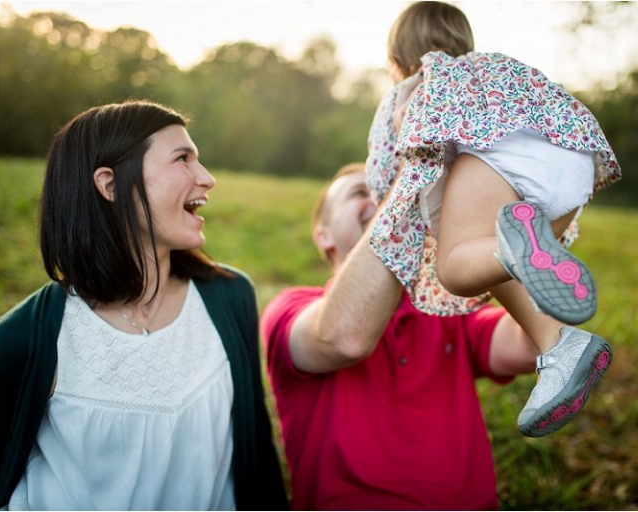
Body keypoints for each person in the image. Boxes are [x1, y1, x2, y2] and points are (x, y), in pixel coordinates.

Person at [0, 100, 288, 510]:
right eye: (183, 159)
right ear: (110, 185)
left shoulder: (230, 298)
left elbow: (258, 456)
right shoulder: (17, 342)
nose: (207, 178)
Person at [365, 1, 619, 437]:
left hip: (500, 166)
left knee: (458, 268)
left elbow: (382, 173)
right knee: (500, 262)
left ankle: (517, 242)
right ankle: (560, 349)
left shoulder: (413, 86)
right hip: (574, 164)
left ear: (395, 60)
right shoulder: (494, 67)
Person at [261, 162, 543, 510]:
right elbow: (344, 338)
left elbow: (532, 345)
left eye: (383, 188)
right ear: (323, 235)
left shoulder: (446, 312)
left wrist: (492, 232)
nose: (380, 197)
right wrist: (417, 165)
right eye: (360, 193)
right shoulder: (290, 308)